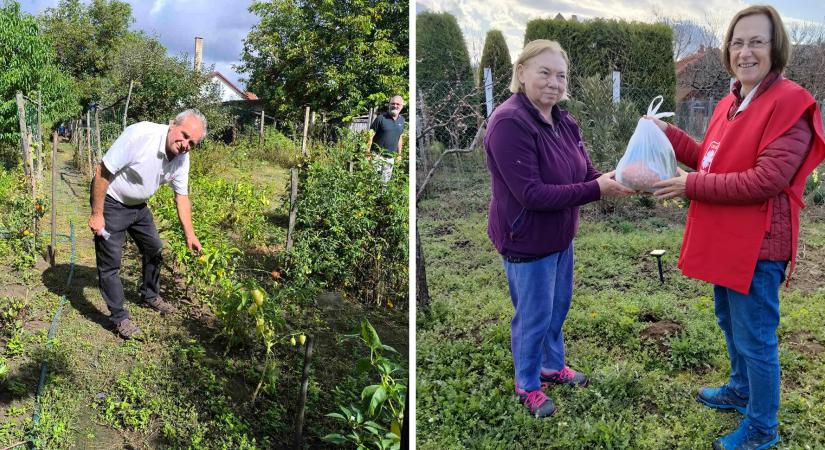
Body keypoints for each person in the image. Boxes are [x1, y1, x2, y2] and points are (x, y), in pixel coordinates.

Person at [648, 6, 825, 449]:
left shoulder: (790, 103)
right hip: (729, 237)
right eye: (738, 42)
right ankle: (740, 390)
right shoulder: (732, 100)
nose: (745, 51)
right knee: (729, 320)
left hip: (760, 244)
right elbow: (709, 158)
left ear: (775, 48)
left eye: (757, 42)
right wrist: (666, 133)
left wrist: (692, 185)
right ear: (729, 50)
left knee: (756, 336)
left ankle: (763, 428)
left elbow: (768, 180)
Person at [485, 39, 634, 418]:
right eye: (545, 73)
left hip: (560, 236)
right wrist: (596, 189)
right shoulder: (508, 122)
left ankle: (552, 365)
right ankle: (527, 383)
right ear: (521, 73)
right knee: (533, 315)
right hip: (527, 239)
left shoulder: (564, 121)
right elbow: (531, 193)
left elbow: (584, 173)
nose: (554, 82)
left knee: (557, 308)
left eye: (561, 76)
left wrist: (613, 179)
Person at [88, 109, 207, 339]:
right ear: (172, 124)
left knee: (154, 247)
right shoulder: (141, 135)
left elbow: (181, 197)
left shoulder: (183, 158)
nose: (185, 145)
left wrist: (190, 235)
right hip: (112, 202)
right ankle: (119, 318)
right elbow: (102, 171)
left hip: (138, 206)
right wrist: (97, 213)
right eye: (184, 135)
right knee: (110, 264)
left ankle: (150, 295)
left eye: (192, 142)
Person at [366, 95, 405, 182]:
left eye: (398, 104)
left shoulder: (402, 120)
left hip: (390, 158)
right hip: (377, 156)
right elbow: (370, 135)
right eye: (393, 103)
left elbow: (400, 137)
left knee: (385, 183)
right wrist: (368, 153)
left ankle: (382, 195)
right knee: (373, 181)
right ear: (389, 105)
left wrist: (399, 154)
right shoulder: (381, 118)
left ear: (402, 106)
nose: (395, 106)